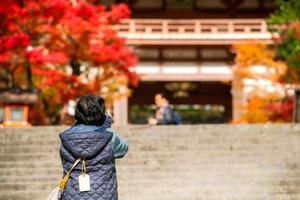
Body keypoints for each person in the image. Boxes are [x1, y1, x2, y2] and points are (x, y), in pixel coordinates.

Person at [59, 94, 128, 200]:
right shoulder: (109, 136)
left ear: (77, 113)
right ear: (101, 113)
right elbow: (123, 148)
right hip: (104, 195)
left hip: (72, 195)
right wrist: (107, 128)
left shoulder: (66, 138)